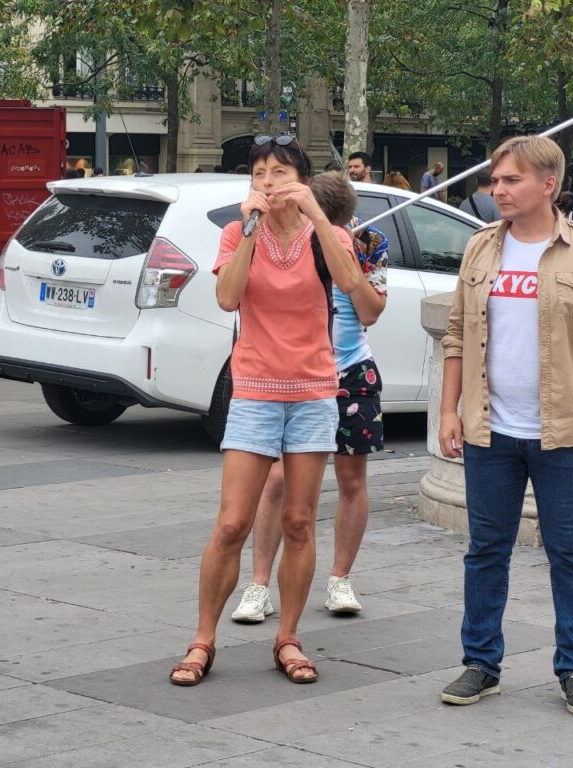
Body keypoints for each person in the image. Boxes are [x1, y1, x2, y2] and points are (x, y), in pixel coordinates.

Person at [439, 135, 573, 716]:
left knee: (570, 553)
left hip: (564, 434)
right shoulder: (480, 248)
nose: (498, 190)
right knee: (485, 550)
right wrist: (448, 410)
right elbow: (455, 335)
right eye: (495, 180)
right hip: (489, 431)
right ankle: (480, 663)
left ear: (548, 184)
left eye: (511, 180)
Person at [168, 136, 365, 687]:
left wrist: (316, 216)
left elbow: (351, 283)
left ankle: (289, 638)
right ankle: (202, 640)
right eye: (259, 173)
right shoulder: (237, 233)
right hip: (254, 389)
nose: (269, 182)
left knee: (299, 521)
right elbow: (228, 298)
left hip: (313, 391)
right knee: (232, 522)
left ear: (302, 179)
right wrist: (250, 229)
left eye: (280, 172)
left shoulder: (329, 234)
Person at [231, 171, 389, 623]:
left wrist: (347, 259)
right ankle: (259, 583)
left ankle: (340, 578)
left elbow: (371, 312)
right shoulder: (276, 235)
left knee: (351, 478)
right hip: (294, 376)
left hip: (351, 370)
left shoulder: (368, 242)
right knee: (277, 480)